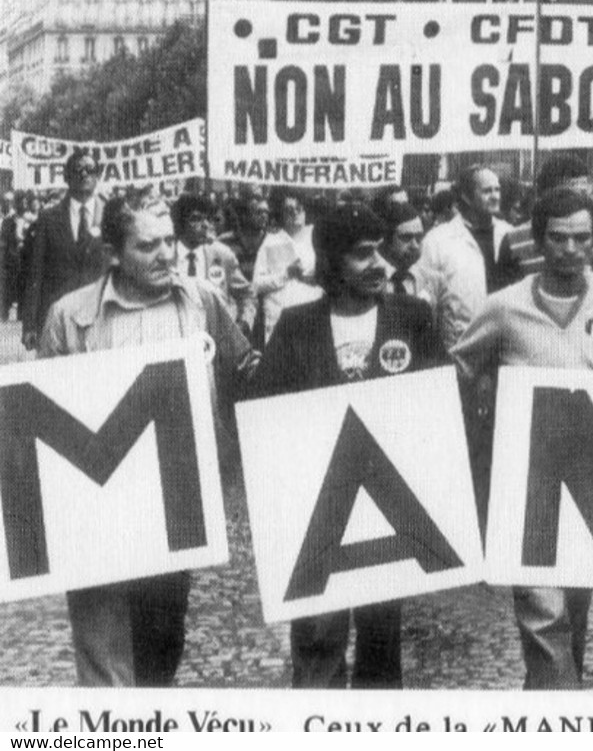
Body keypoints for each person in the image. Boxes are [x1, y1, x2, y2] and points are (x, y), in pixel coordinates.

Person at [39, 199, 255, 686]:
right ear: (114, 253)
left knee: (162, 643)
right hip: (96, 504)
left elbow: (242, 369)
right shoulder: (68, 318)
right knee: (102, 654)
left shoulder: (202, 300)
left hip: (173, 503)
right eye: (147, 245)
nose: (165, 255)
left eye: (168, 241)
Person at [453, 188, 593, 688]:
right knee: (541, 610)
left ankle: (550, 697)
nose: (570, 249)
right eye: (559, 238)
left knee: (574, 607)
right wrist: (481, 424)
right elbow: (460, 367)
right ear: (538, 239)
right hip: (529, 483)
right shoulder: (504, 308)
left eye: (582, 239)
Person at [243, 205, 443, 689]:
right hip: (320, 511)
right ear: (332, 261)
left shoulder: (412, 317)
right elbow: (263, 413)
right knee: (317, 639)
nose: (378, 265)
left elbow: (440, 405)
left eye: (380, 251)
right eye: (362, 255)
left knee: (381, 640)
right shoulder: (297, 325)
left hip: (387, 508)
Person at [22, 149, 110, 351]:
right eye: (77, 170)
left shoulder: (111, 215)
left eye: (90, 170)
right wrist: (30, 325)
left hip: (101, 315)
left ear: (98, 176)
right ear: (66, 177)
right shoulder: (48, 218)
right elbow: (35, 273)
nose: (84, 174)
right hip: (58, 317)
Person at [418, 165, 511, 352]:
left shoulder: (509, 232)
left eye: (497, 189)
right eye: (486, 191)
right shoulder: (437, 241)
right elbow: (427, 307)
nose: (495, 196)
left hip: (506, 347)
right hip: (460, 349)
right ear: (467, 197)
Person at [495, 154, 593, 288]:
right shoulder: (514, 241)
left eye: (586, 193)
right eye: (577, 194)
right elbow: (506, 299)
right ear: (548, 193)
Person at [172, 194, 254, 335]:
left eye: (207, 219)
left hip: (218, 340)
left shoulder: (222, 255)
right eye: (196, 219)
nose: (205, 225)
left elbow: (247, 295)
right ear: (180, 224)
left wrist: (243, 324)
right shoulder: (167, 257)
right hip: (179, 338)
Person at [252, 191, 322, 344]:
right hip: (279, 323)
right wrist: (286, 274)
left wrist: (313, 275)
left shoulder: (318, 236)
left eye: (299, 208)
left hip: (313, 321)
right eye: (289, 210)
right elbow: (256, 284)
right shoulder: (271, 241)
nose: (295, 213)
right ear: (281, 214)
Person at [377, 199, 433, 298]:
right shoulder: (374, 280)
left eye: (419, 238)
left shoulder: (429, 280)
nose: (415, 246)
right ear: (388, 240)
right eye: (406, 237)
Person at [2, 191, 38, 321]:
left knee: (24, 286)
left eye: (25, 202)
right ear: (16, 203)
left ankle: (22, 314)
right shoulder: (9, 220)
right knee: (9, 287)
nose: (23, 204)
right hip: (12, 259)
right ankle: (4, 313)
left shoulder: (31, 219)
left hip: (25, 259)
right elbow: (5, 240)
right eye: (20, 201)